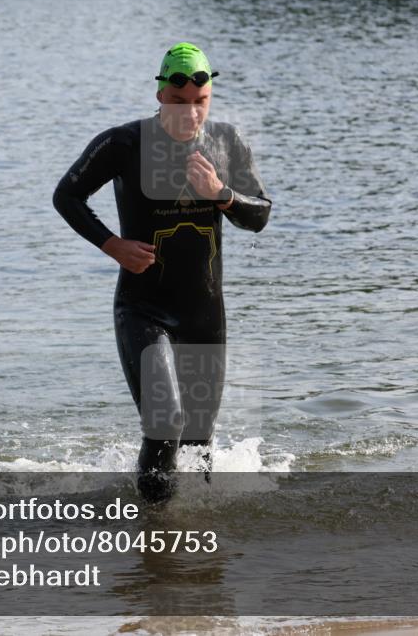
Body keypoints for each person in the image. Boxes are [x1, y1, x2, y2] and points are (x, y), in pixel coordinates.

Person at [53, 42, 272, 503]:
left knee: (196, 438)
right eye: (178, 103)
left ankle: (197, 544)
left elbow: (260, 215)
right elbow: (67, 196)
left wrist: (222, 194)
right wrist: (112, 245)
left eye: (200, 103)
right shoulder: (123, 143)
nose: (190, 115)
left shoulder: (227, 142)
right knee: (165, 423)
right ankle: (153, 536)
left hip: (203, 314)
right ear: (159, 95)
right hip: (143, 308)